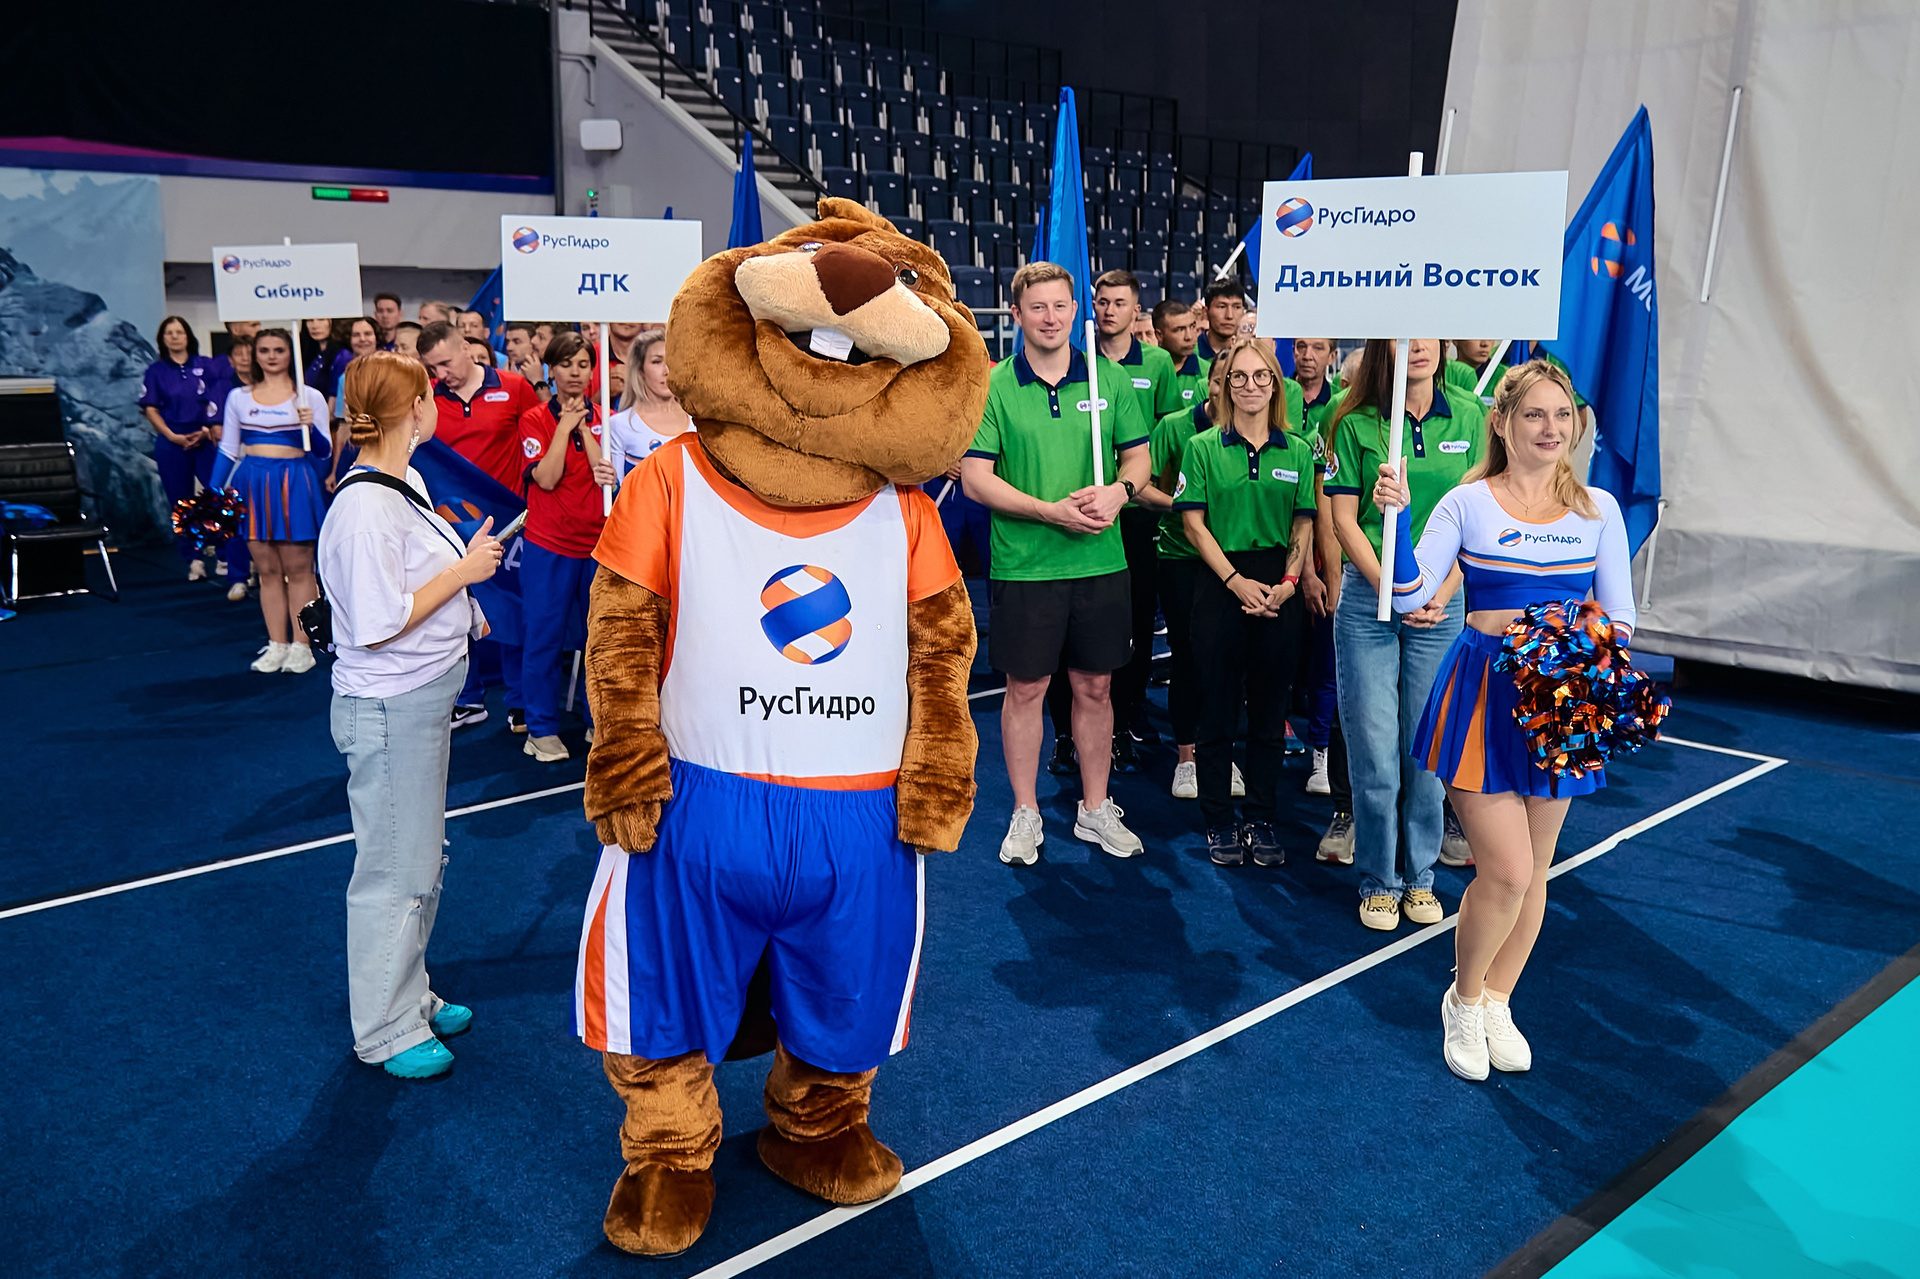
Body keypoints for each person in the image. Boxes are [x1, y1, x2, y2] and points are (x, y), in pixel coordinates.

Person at [1372, 358, 1634, 1081]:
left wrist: (1575, 649)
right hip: (1484, 693)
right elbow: (1410, 594)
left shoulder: (1599, 509)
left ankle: (1497, 1000)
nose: (1551, 428)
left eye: (1562, 415)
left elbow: (1622, 615)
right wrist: (1395, 520)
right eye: (1534, 414)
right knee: (1508, 870)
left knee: (1537, 871)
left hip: (1564, 694)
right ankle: (1462, 999)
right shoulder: (1467, 503)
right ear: (1503, 422)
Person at [318, 350, 504, 1080]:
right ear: (416, 406)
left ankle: (409, 995)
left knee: (420, 858)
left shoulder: (404, 482)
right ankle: (385, 1028)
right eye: (431, 391)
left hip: (419, 697)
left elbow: (409, 585)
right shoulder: (366, 508)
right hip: (391, 706)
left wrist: (464, 602)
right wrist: (462, 575)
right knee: (397, 868)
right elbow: (375, 622)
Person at [960, 261, 1152, 866]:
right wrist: (1049, 512)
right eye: (1037, 307)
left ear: (1076, 311)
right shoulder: (993, 385)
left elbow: (1139, 461)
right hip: (1025, 567)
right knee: (1026, 689)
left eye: (1060, 306)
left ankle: (1095, 807)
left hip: (1100, 564)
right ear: (1016, 314)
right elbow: (974, 478)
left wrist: (1119, 492)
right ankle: (1026, 810)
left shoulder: (1108, 378)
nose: (1050, 318)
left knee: (1096, 687)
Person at [1322, 339, 1485, 931]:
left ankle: (1419, 876)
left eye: (1427, 334)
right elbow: (1343, 520)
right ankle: (1378, 881)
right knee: (1374, 751)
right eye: (1401, 336)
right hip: (1370, 597)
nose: (1417, 346)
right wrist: (1393, 589)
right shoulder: (1350, 420)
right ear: (1381, 348)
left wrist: (1438, 590)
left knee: (1427, 751)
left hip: (1443, 600)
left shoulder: (1472, 416)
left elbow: (1481, 518)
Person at [1174, 338, 1316, 866]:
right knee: (1216, 709)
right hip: (1220, 583)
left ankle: (1260, 816)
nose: (1250, 385)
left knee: (1271, 712)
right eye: (1239, 376)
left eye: (1261, 376)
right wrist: (1235, 581)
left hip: (1279, 587)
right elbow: (1194, 525)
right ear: (1225, 385)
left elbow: (1303, 522)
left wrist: (1290, 581)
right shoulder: (1202, 447)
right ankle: (1218, 819)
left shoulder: (1297, 450)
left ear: (1276, 385)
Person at [419, 319, 543, 730]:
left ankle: (520, 699)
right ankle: (467, 698)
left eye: (445, 362)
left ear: (467, 349)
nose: (441, 374)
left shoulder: (515, 387)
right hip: (450, 524)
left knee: (511, 607)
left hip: (509, 521)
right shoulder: (428, 396)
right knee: (453, 607)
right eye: (432, 367)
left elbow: (536, 440)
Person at [1091, 268, 1183, 770]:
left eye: (1119, 302)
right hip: (1090, 508)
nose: (1110, 310)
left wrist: (1159, 496)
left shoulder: (1158, 362)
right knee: (1095, 618)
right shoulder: (1079, 359)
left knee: (1141, 615)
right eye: (1102, 301)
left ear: (1136, 310)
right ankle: (1087, 720)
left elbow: (1166, 437)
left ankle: (1132, 710)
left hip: (1140, 510)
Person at [515, 331, 614, 763]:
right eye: (566, 364)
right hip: (549, 545)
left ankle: (598, 720)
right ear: (550, 370)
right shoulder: (533, 419)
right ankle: (540, 729)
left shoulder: (608, 418)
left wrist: (586, 430)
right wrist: (564, 428)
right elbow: (548, 478)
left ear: (593, 372)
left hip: (599, 546)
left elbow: (605, 474)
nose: (575, 373)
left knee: (599, 639)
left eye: (583, 365)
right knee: (544, 638)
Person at [212, 327, 332, 674]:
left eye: (279, 349)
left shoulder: (309, 397)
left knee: (299, 570)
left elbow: (323, 455)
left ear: (291, 354)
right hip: (251, 483)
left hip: (294, 483)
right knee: (267, 571)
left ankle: (303, 645)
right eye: (264, 350)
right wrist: (213, 493)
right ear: (255, 355)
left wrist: (310, 428)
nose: (271, 356)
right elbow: (228, 449)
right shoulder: (238, 397)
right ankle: (277, 643)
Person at [1149, 357, 1240, 800]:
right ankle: (1186, 758)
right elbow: (1139, 486)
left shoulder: (1259, 433)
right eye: (1222, 380)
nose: (1229, 389)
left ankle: (1221, 754)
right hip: (1182, 557)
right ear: (1209, 383)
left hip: (1236, 560)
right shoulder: (1174, 427)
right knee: (1187, 658)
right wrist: (1187, 509)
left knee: (1229, 661)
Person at [1292, 337, 1346, 805]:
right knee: (1323, 666)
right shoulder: (1334, 419)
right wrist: (1315, 570)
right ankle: (1320, 752)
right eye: (1301, 346)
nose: (1308, 355)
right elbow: (1318, 507)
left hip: (1396, 573)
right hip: (1328, 564)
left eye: (1318, 348)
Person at [138, 317, 221, 581]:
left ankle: (224, 555)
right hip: (172, 440)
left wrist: (206, 430)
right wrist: (172, 436)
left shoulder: (206, 365)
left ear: (188, 336)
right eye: (169, 333)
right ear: (162, 339)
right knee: (181, 503)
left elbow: (220, 400)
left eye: (179, 332)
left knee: (217, 497)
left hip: (205, 438)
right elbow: (150, 409)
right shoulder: (156, 371)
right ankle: (194, 559)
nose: (175, 337)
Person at [605, 329, 690, 477]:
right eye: (657, 362)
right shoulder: (620, 425)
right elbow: (617, 488)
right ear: (640, 370)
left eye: (671, 361)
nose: (666, 370)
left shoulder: (698, 421)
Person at [327, 318, 385, 488]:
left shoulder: (391, 373)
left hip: (385, 450)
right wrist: (335, 471)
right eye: (356, 335)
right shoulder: (345, 378)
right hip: (353, 451)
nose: (362, 339)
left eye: (367, 334)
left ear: (376, 337)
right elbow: (343, 427)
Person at [1152, 299, 1209, 409]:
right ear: (1159, 335)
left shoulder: (1207, 372)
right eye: (1180, 329)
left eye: (1192, 326)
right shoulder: (1147, 370)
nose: (1189, 336)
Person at [1196, 279, 1244, 361]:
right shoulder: (1188, 353)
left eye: (1237, 307)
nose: (1229, 316)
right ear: (1205, 312)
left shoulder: (1249, 354)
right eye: (1222, 307)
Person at [503, 320, 550, 401]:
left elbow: (552, 407)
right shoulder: (501, 370)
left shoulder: (551, 374)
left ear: (533, 344)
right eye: (507, 342)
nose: (509, 348)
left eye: (517, 342)